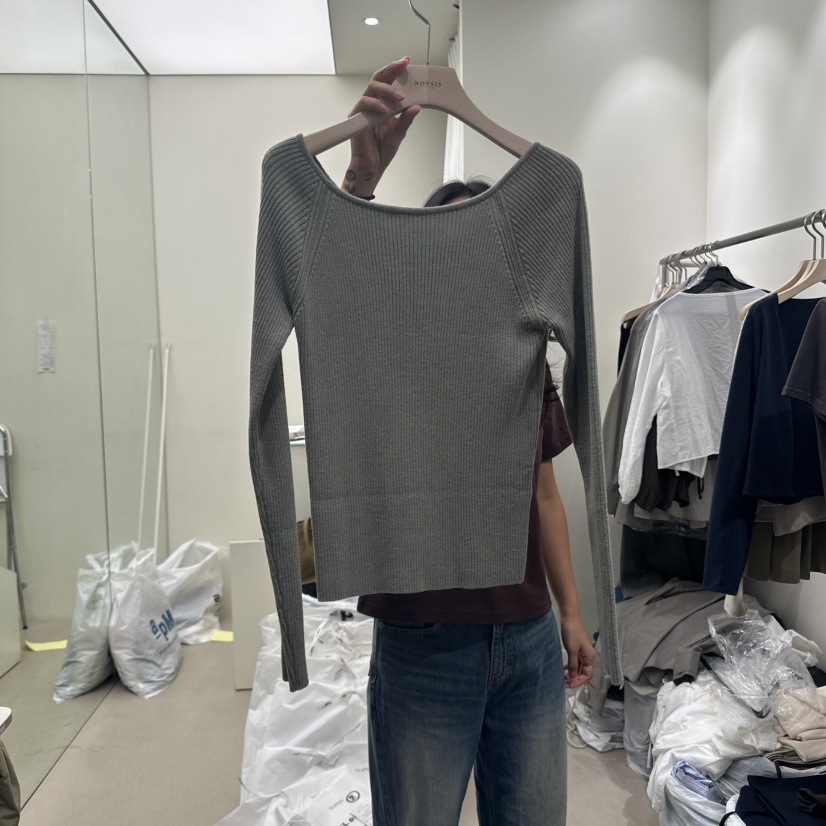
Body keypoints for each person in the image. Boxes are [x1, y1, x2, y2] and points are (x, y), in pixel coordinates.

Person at [345, 57, 596, 826]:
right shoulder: (386, 350)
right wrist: (360, 184)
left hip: (525, 639)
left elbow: (544, 494)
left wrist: (571, 612)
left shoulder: (522, 359)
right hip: (422, 644)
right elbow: (334, 291)